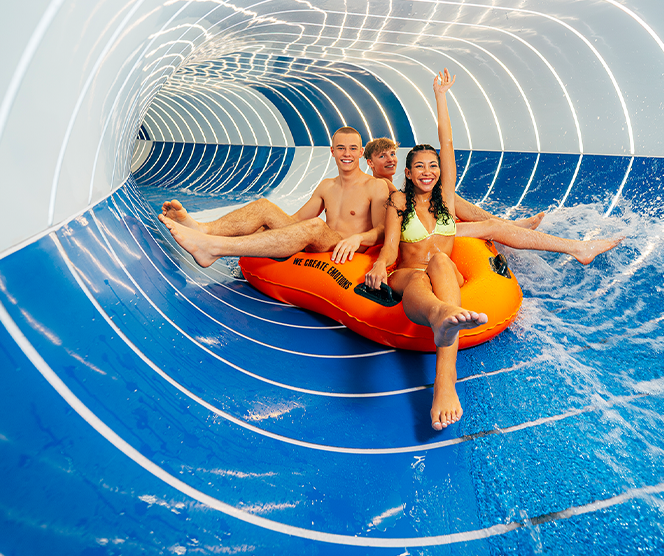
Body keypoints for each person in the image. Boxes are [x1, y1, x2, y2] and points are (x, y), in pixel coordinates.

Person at [365, 69, 487, 432]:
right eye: (419, 166)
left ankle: (444, 377)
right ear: (408, 172)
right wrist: (379, 266)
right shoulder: (398, 201)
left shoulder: (446, 197)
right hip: (408, 274)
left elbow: (446, 143)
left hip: (443, 270)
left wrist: (441, 96)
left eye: (433, 166)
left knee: (441, 261)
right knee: (421, 276)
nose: (428, 171)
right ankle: (441, 316)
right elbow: (390, 248)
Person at [363, 139, 622, 265]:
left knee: (448, 197)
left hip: (432, 228)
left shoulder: (397, 185)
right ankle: (569, 245)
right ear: (370, 163)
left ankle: (512, 226)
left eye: (392, 154)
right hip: (420, 239)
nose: (390, 159)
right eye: (382, 156)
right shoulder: (383, 189)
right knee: (459, 205)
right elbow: (387, 230)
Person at [158, 127, 390, 266]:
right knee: (264, 206)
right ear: (332, 151)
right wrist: (265, 230)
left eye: (352, 148)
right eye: (341, 148)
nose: (347, 153)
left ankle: (215, 248)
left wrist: (357, 239)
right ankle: (202, 229)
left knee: (316, 225)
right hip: (320, 242)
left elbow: (382, 230)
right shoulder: (326, 186)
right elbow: (296, 219)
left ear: (361, 152)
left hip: (347, 249)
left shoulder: (375, 186)